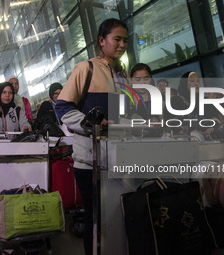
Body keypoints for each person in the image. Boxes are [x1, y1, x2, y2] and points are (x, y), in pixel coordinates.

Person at [55, 18, 129, 255]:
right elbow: (63, 108)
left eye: (125, 40)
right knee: (96, 219)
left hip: (118, 160)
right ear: (101, 40)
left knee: (117, 217)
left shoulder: (122, 74)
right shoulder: (85, 68)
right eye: (117, 39)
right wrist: (92, 123)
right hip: (90, 162)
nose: (122, 44)